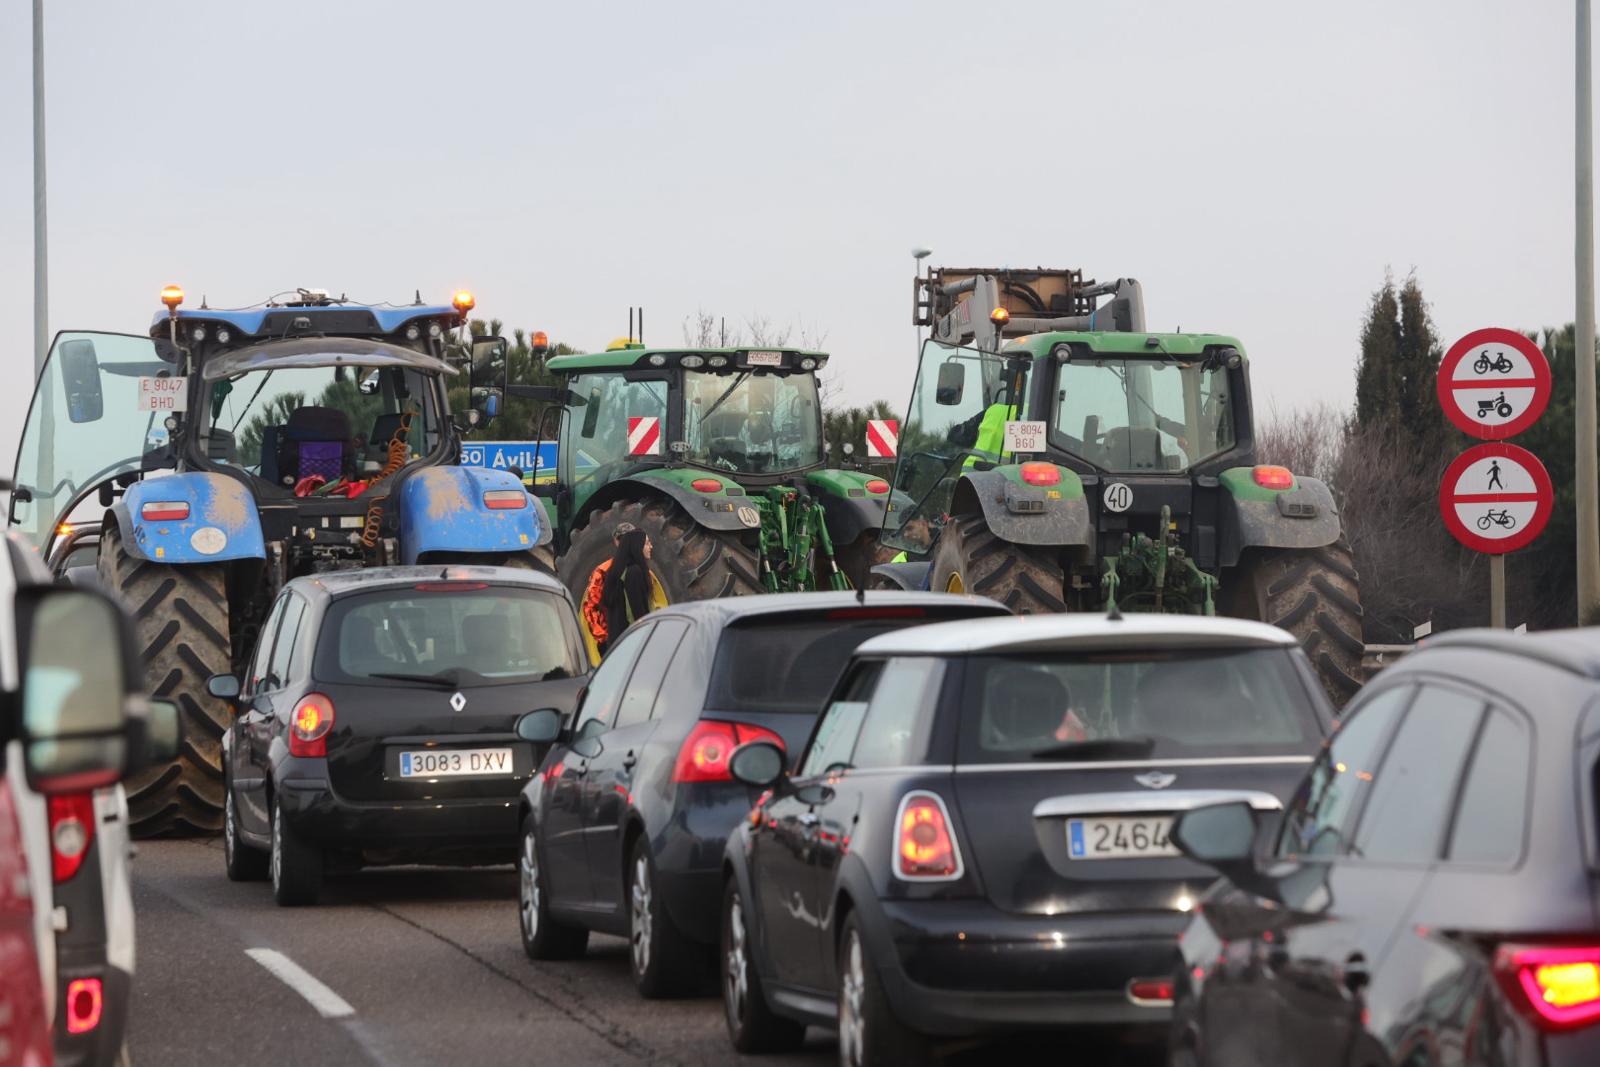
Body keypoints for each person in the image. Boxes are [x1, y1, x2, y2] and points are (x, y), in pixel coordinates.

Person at [580, 522, 636, 662]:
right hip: (620, 641)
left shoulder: (604, 571)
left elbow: (590, 606)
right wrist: (603, 639)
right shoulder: (603, 572)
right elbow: (591, 606)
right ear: (617, 542)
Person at [601, 529, 656, 650]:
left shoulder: (618, 573)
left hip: (619, 643)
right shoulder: (634, 572)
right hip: (631, 645)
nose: (650, 546)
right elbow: (635, 613)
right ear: (637, 547)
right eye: (646, 543)